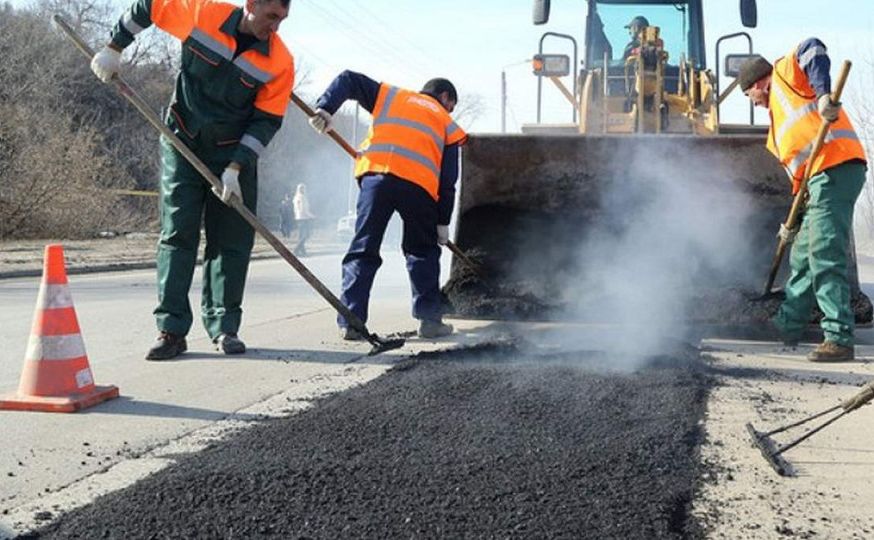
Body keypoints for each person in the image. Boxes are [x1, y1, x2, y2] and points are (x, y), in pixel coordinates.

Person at [90, 0, 295, 360]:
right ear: (251, 5)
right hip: (182, 142)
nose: (275, 27)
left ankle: (225, 328)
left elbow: (266, 121)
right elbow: (150, 5)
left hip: (233, 157)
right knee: (177, 234)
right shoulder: (204, 15)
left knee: (231, 242)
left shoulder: (280, 61)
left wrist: (235, 168)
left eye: (282, 20)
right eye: (271, 16)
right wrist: (114, 46)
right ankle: (171, 331)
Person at [308, 71, 468, 340]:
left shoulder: (392, 96)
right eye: (451, 106)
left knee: (363, 249)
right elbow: (448, 180)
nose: (450, 110)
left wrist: (326, 107)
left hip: (376, 179)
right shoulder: (447, 123)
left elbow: (348, 79)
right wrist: (442, 221)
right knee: (422, 252)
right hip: (419, 188)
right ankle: (429, 321)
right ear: (445, 97)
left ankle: (351, 321)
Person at [737, 39, 868, 362]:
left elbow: (813, 48)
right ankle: (788, 324)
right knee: (802, 257)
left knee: (824, 253)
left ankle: (839, 338)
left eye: (748, 94)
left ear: (758, 83)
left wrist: (823, 95)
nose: (751, 102)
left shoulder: (784, 74)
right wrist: (791, 224)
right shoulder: (776, 130)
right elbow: (799, 177)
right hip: (816, 183)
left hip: (836, 168)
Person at [292, 183, 315, 256]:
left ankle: (303, 252)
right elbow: (303, 209)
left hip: (298, 218)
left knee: (301, 236)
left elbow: (295, 209)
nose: (303, 190)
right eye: (302, 188)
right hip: (304, 218)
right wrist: (311, 216)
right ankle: (296, 250)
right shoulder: (302, 197)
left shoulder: (295, 197)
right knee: (306, 235)